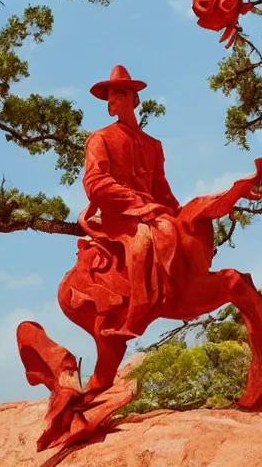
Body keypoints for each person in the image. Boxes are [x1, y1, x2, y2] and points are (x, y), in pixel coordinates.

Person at [81, 64, 184, 339]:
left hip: (154, 211)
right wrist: (135, 201)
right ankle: (137, 308)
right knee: (143, 239)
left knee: (183, 231)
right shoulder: (99, 139)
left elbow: (161, 189)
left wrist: (180, 213)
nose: (110, 101)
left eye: (116, 95)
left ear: (131, 98)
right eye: (109, 97)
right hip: (120, 216)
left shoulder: (153, 145)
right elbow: (94, 182)